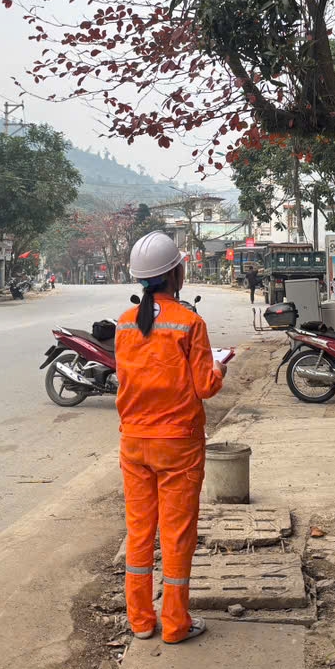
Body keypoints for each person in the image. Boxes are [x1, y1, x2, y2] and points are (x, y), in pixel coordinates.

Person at [116, 232, 226, 644]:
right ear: (175, 273)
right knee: (177, 536)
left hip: (134, 442)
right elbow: (204, 386)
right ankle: (176, 624)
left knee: (139, 531)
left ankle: (141, 621)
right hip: (177, 443)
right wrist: (221, 370)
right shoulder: (189, 322)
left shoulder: (125, 324)